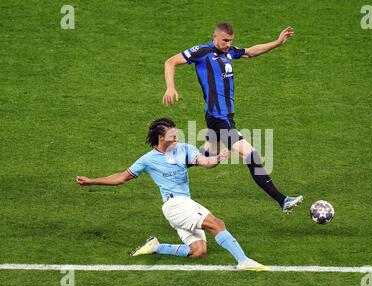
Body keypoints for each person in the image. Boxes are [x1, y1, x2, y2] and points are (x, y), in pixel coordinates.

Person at [76, 118, 269, 271]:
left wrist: (218, 158)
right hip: (175, 205)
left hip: (182, 206)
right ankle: (243, 261)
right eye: (172, 134)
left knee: (198, 251)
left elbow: (206, 162)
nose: (177, 136)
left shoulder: (184, 149)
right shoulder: (148, 160)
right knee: (217, 224)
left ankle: (156, 247)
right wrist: (92, 181)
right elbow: (121, 177)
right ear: (161, 137)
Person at [162, 22, 303, 214]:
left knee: (209, 156)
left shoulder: (230, 53)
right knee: (251, 154)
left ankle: (166, 165)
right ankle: (283, 200)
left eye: (231, 41)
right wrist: (171, 87)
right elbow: (170, 62)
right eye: (225, 40)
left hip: (224, 117)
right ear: (215, 38)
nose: (228, 44)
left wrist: (277, 42)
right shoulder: (202, 52)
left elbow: (251, 52)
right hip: (219, 119)